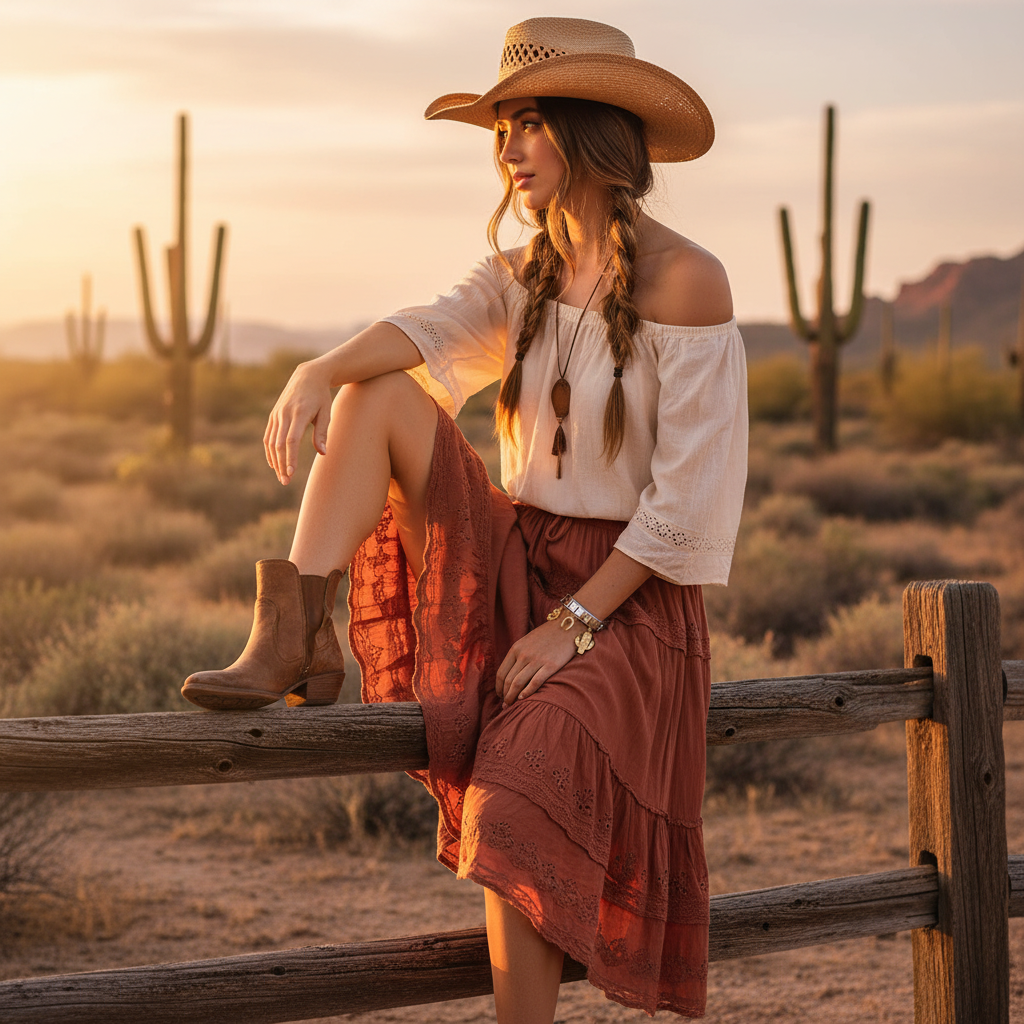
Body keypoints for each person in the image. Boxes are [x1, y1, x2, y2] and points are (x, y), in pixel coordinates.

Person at [182, 16, 747, 1022]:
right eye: (501, 128)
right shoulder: (522, 273)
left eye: (530, 123)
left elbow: (690, 508)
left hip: (629, 601)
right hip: (521, 557)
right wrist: (316, 368)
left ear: (594, 132)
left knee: (519, 784)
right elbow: (426, 328)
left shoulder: (687, 280)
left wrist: (573, 623)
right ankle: (295, 636)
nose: (508, 149)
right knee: (374, 393)